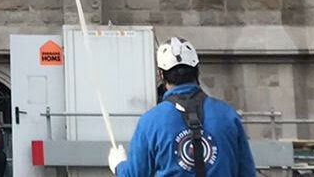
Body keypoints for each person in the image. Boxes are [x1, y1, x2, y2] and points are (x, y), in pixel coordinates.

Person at [108, 37, 255, 177]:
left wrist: (119, 165)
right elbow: (247, 172)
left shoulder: (150, 121)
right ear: (197, 69)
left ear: (160, 74)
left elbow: (134, 174)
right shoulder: (227, 115)